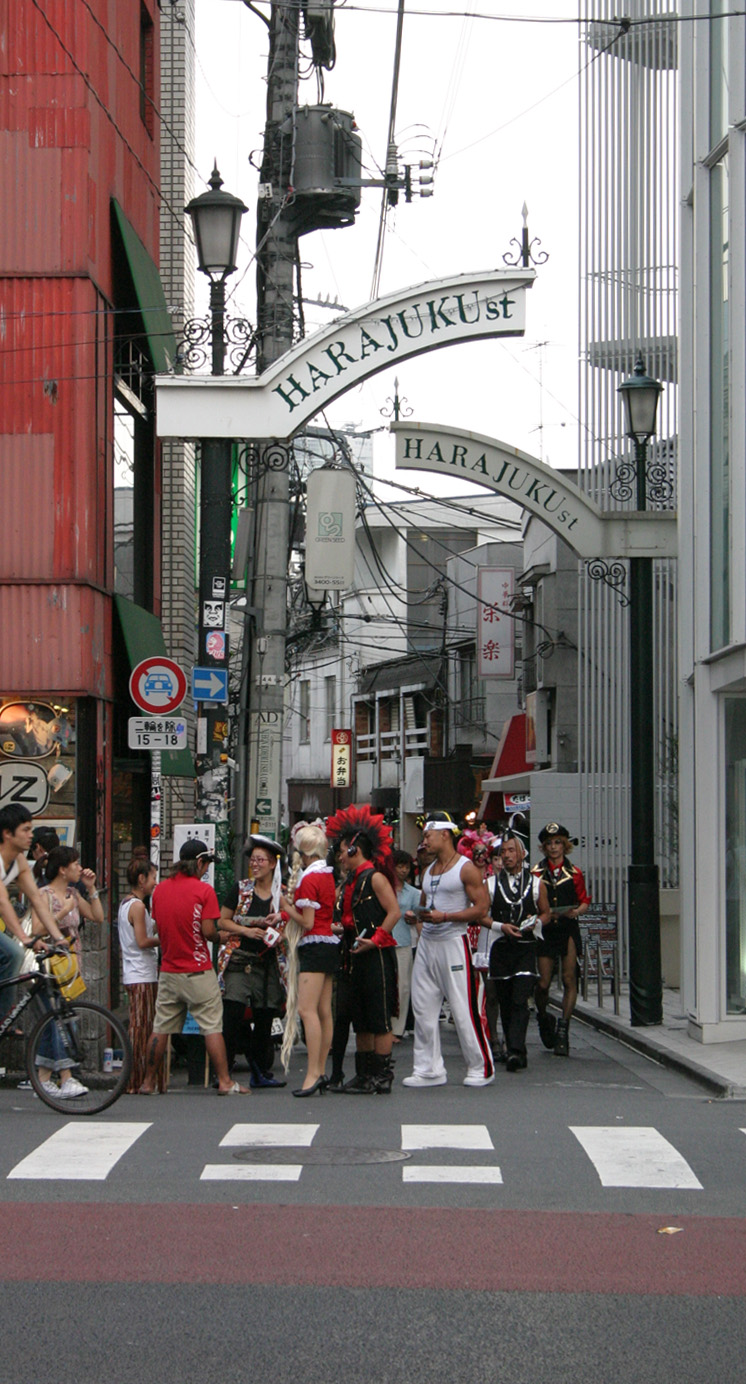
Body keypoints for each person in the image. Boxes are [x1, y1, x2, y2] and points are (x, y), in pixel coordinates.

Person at [139, 839, 249, 1095]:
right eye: (207, 864)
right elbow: (209, 930)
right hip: (198, 970)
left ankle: (147, 1082)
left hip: (168, 970)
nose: (207, 869)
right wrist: (219, 938)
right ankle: (225, 1081)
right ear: (199, 862)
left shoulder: (160, 891)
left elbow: (159, 927)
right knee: (212, 1026)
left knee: (160, 1027)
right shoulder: (203, 891)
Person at [403, 810, 494, 1089]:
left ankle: (481, 1067)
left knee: (463, 1007)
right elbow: (424, 902)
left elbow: (482, 907)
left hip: (454, 941)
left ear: (445, 835)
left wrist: (447, 917)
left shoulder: (465, 868)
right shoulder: (429, 870)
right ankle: (428, 1069)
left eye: (428, 835)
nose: (424, 841)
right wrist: (416, 915)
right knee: (423, 1008)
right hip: (428, 943)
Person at [218, 835, 287, 1089]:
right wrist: (247, 931)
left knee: (266, 1016)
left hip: (269, 962)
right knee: (233, 1013)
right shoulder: (240, 888)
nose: (255, 865)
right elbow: (223, 921)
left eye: (261, 860)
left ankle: (259, 1071)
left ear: (272, 864)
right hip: (239, 960)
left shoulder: (283, 893)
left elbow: (292, 924)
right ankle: (223, 1072)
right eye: (253, 860)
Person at [279, 823, 338, 1095]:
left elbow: (307, 921)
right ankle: (321, 1069)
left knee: (306, 1010)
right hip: (328, 944)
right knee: (324, 1011)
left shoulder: (310, 878)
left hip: (314, 944)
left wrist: (286, 907)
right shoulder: (326, 874)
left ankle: (313, 1073)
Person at [487, 820, 550, 1072]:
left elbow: (546, 913)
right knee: (503, 999)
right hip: (501, 948)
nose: (507, 856)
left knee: (519, 999)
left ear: (522, 854)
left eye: (511, 851)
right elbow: (482, 915)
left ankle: (516, 1050)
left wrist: (534, 923)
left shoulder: (537, 884)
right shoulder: (490, 885)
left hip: (525, 947)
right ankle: (513, 1047)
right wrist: (499, 927)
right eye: (503, 852)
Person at [0, 804, 68, 1022]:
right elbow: (2, 902)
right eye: (26, 830)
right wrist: (24, 938)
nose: (31, 835)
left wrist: (58, 937)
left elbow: (37, 900)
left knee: (12, 955)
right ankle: (4, 1016)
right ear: (7, 834)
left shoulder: (19, 861)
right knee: (14, 952)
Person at [532, 822, 590, 1057]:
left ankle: (564, 1028)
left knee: (569, 979)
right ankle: (543, 1015)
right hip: (546, 928)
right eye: (549, 844)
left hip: (567, 926)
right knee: (543, 982)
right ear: (544, 848)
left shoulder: (574, 872)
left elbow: (584, 899)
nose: (554, 847)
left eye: (557, 843)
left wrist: (577, 911)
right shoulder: (536, 873)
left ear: (564, 846)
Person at [117, 855, 164, 1094]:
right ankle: (135, 1080)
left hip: (135, 973)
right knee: (141, 1027)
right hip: (141, 974)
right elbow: (143, 940)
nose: (156, 882)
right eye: (153, 877)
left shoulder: (127, 904)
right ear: (141, 879)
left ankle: (135, 1079)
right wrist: (164, 939)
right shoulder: (137, 906)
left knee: (140, 1026)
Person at [390, 849, 420, 1041]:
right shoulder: (384, 888)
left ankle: (398, 1029)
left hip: (404, 941)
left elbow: (419, 918)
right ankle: (387, 1026)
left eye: (406, 866)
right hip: (385, 941)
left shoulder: (414, 893)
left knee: (404, 986)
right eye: (399, 866)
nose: (403, 870)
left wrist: (413, 920)